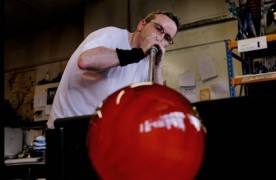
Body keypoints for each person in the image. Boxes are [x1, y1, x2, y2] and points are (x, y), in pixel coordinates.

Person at [46, 10, 181, 129]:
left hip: (101, 134)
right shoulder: (112, 35)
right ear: (142, 25)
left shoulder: (147, 61)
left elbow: (156, 104)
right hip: (68, 129)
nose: (160, 38)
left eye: (167, 38)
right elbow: (85, 61)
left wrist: (157, 66)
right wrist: (137, 53)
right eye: (158, 28)